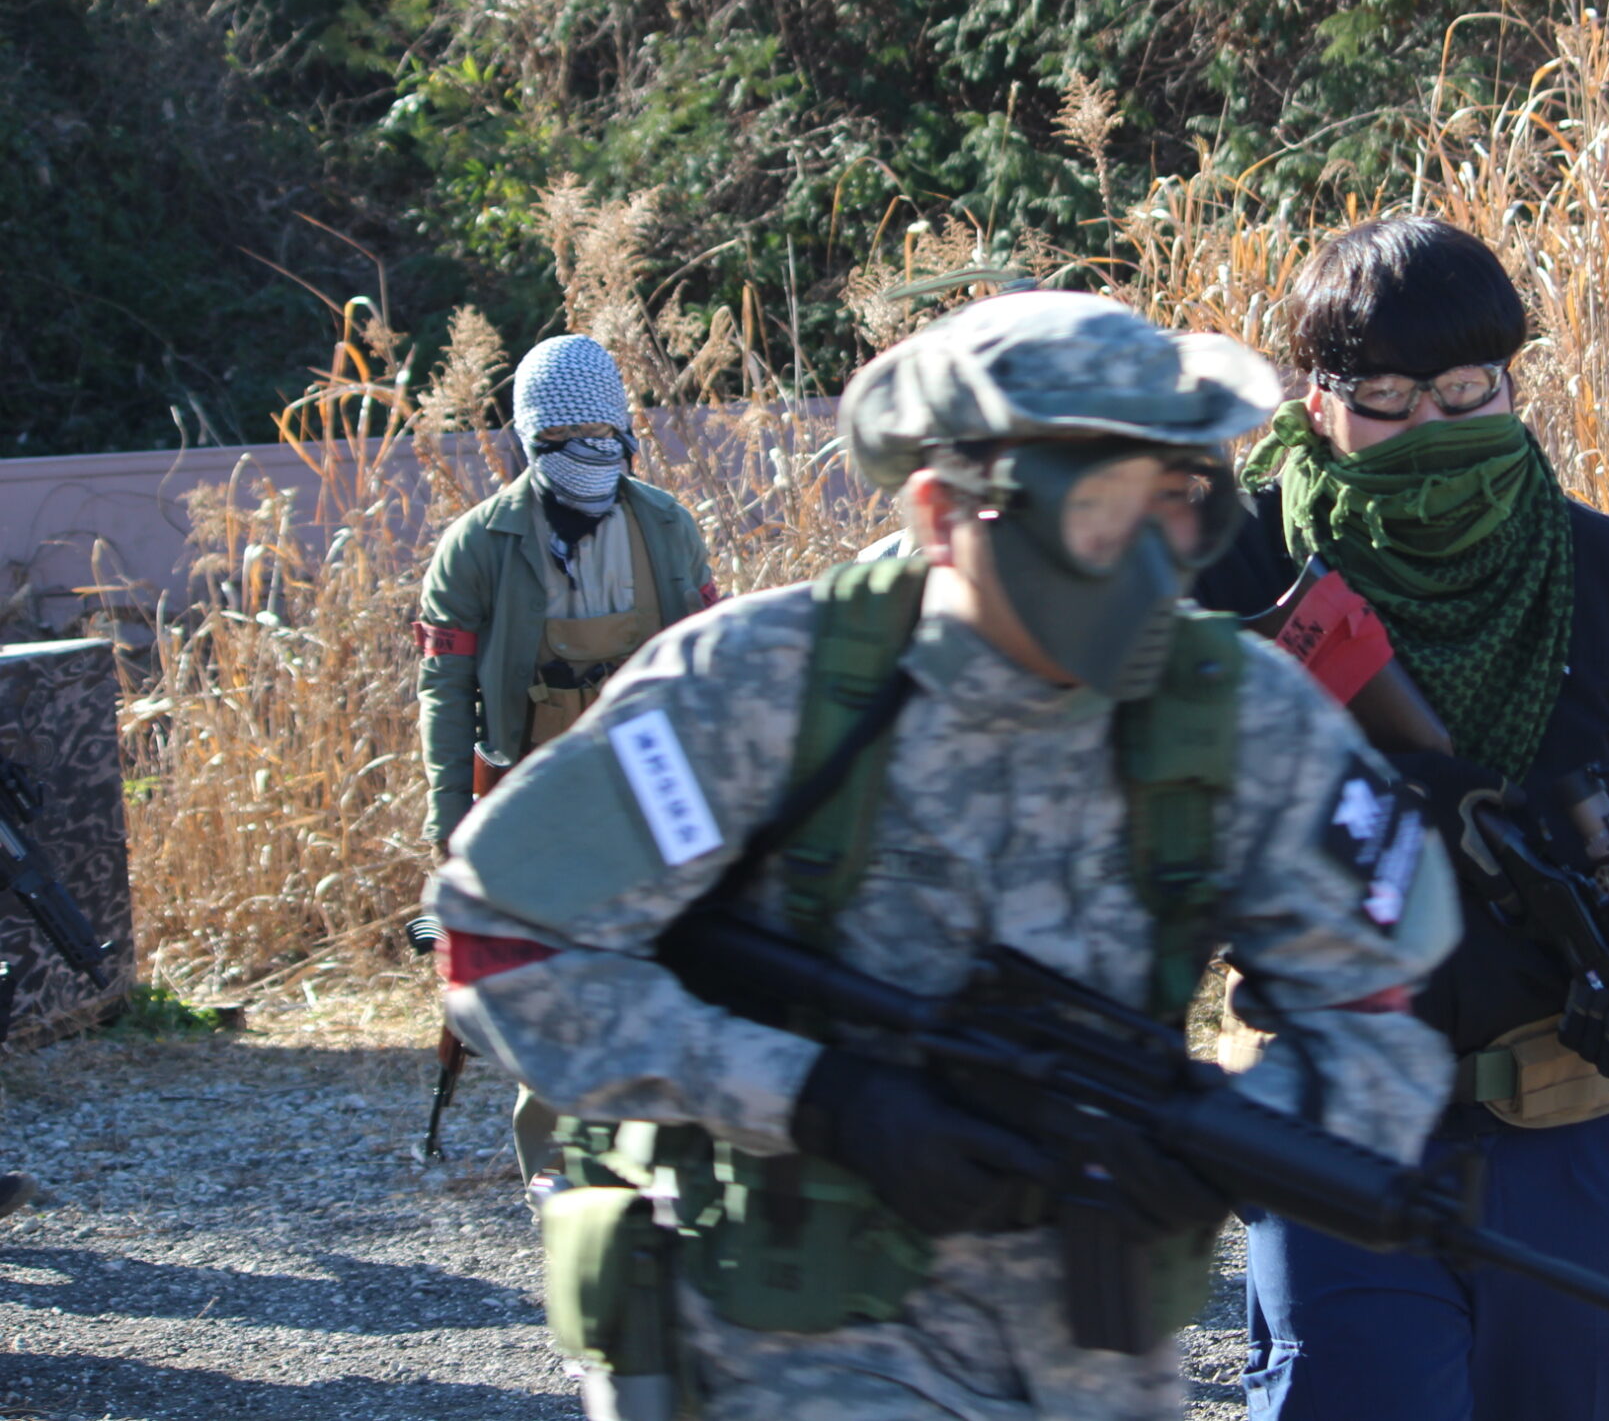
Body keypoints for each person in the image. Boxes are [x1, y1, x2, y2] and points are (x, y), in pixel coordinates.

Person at [426, 291, 1460, 1421]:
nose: (1145, 557)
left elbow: (1378, 1008)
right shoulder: (765, 689)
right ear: (943, 512)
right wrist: (812, 1095)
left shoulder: (1242, 715)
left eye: (1173, 502)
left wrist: (1236, 1139)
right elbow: (502, 939)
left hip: (1093, 1365)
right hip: (797, 1348)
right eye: (1092, 509)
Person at [1191, 216, 1609, 1421]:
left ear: (1512, 380)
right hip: (1327, 1098)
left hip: (1561, 1102)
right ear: (1314, 401)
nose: (1434, 429)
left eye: (1465, 392)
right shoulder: (1237, 570)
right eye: (1389, 401)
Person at [412, 332, 716, 1178]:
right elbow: (445, 692)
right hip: (535, 787)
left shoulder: (665, 525)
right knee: (549, 977)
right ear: (529, 437)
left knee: (676, 961)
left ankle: (672, 1159)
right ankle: (559, 1175)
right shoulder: (480, 544)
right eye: (563, 437)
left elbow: (710, 663)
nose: (588, 451)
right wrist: (453, 822)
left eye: (602, 433)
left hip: (653, 782)